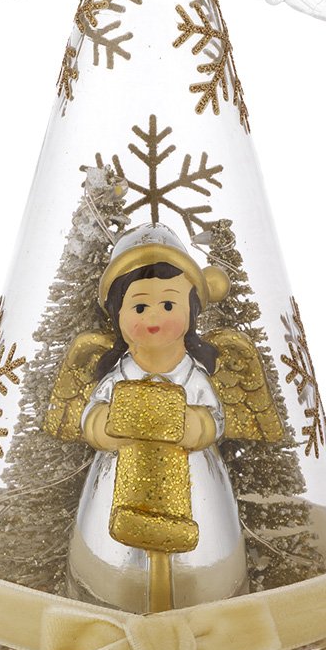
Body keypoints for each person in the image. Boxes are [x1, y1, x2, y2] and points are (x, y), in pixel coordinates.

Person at [67, 224, 248, 611]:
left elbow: (214, 417)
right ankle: (110, 596)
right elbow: (92, 415)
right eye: (139, 307)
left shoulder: (193, 377)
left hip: (191, 475)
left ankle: (203, 595)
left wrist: (194, 427)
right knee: (110, 537)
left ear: (190, 311)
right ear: (118, 315)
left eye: (168, 305)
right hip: (120, 473)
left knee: (202, 536)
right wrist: (105, 427)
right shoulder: (119, 376)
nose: (154, 317)